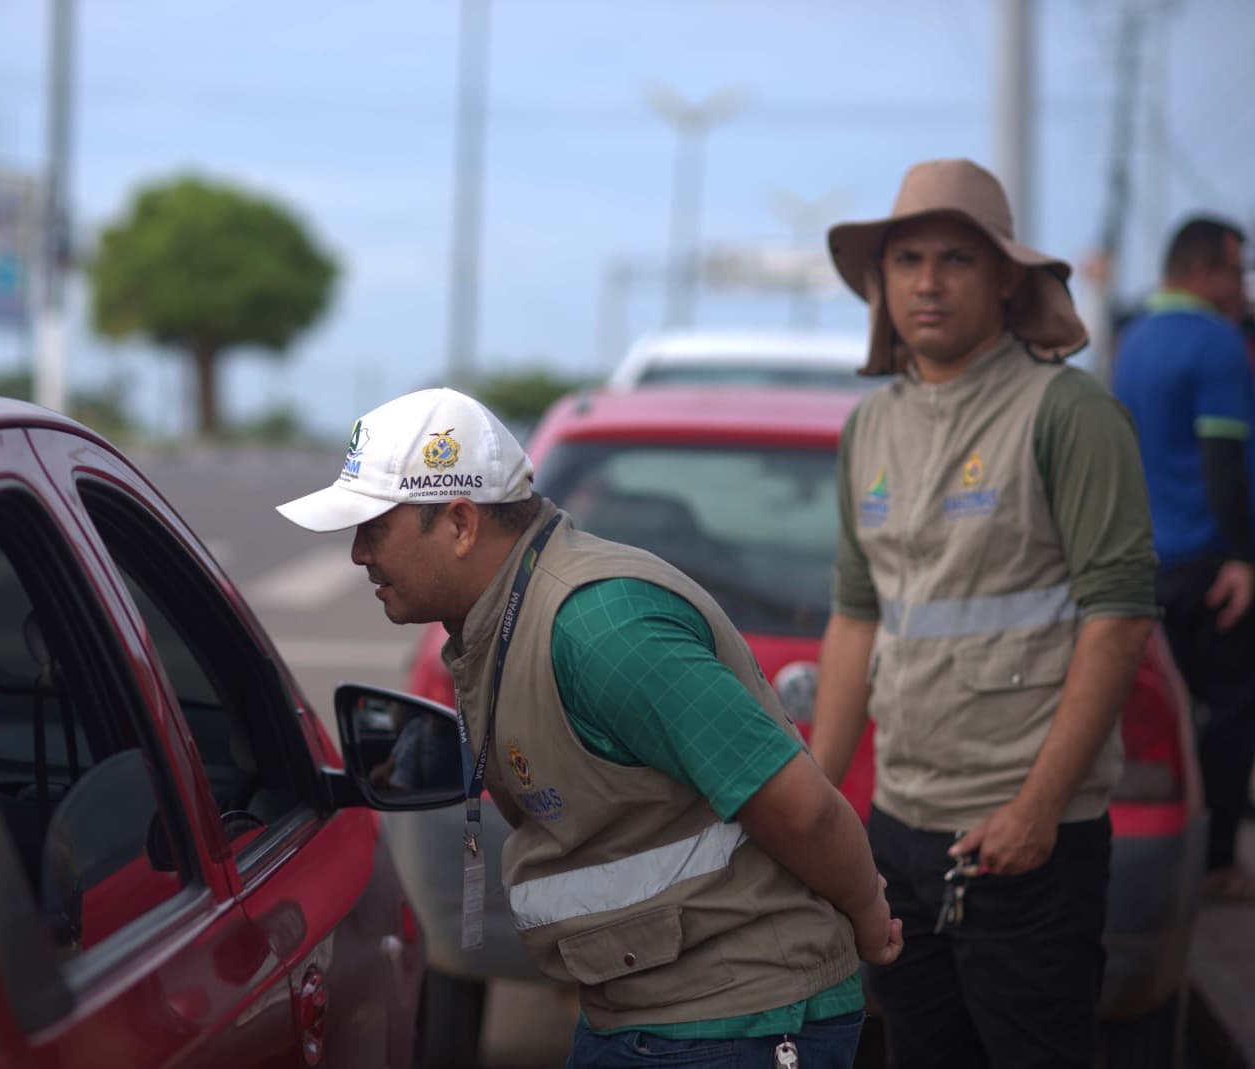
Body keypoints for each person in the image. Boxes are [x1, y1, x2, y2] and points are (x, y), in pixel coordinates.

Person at [277, 388, 901, 1068]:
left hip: (736, 1024)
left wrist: (869, 912)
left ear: (459, 523)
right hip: (645, 1015)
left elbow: (803, 811)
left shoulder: (602, 630)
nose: (358, 553)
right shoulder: (502, 623)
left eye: (374, 526)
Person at [810, 158, 1158, 1068]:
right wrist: (809, 808)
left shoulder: (1068, 412)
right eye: (908, 258)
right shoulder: (869, 429)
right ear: (880, 282)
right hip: (898, 829)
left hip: (1026, 841)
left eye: (957, 259)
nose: (927, 281)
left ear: (1006, 277)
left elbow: (1118, 617)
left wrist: (1038, 809)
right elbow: (856, 620)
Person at [1111, 216, 1255, 899]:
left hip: (1146, 562)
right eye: (1236, 270)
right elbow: (1224, 465)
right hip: (1210, 562)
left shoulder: (1131, 340)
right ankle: (1219, 864)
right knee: (1230, 714)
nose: (1240, 286)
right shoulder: (1217, 342)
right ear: (1206, 268)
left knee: (1166, 725)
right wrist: (1245, 557)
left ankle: (1168, 855)